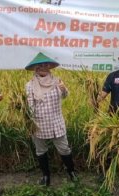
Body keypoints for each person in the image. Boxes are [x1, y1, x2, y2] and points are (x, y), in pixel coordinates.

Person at [25, 52, 77, 186]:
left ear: (49, 67)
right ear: (35, 68)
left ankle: (71, 172)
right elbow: (29, 105)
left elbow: (65, 95)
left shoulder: (57, 81)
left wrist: (64, 89)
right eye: (39, 66)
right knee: (41, 150)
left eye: (45, 65)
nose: (42, 68)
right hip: (38, 123)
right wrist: (29, 122)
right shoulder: (30, 85)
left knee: (64, 149)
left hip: (56, 122)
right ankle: (46, 176)